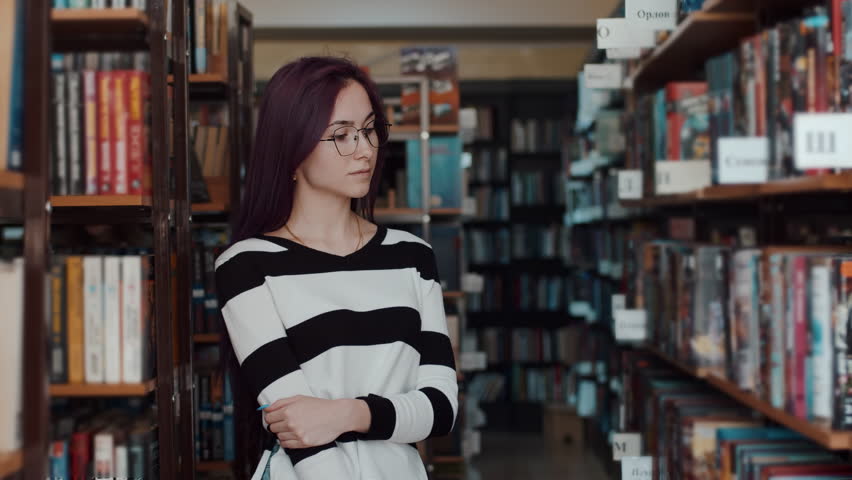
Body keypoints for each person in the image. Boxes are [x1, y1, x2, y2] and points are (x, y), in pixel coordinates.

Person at [214, 56, 459, 480]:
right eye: (341, 135)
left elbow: (440, 408)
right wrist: (386, 415)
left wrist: (348, 413)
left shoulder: (413, 257)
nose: (365, 149)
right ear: (292, 150)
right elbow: (301, 432)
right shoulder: (245, 267)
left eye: (368, 130)